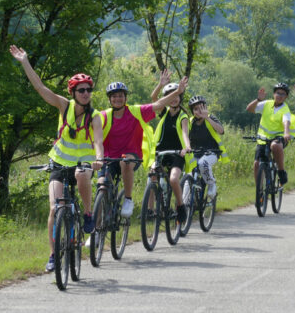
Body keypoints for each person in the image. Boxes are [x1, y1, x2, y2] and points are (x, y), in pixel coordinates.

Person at [10, 45, 103, 272]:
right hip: (59, 161)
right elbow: (40, 87)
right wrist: (25, 62)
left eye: (88, 90)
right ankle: (53, 254)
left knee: (82, 174)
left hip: (83, 163)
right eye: (80, 90)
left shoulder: (95, 116)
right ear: (73, 93)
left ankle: (88, 213)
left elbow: (98, 142)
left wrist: (99, 159)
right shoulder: (64, 105)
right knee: (54, 208)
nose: (85, 94)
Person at [100, 73, 188, 219]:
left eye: (121, 95)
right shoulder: (103, 115)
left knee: (125, 161)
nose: (117, 99)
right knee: (102, 189)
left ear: (126, 98)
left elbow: (158, 104)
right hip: (108, 158)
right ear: (109, 99)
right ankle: (96, 231)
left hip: (131, 155)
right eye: (114, 96)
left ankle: (128, 199)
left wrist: (178, 91)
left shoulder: (136, 111)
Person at [147, 71, 191, 223]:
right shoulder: (164, 112)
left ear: (180, 98)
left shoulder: (183, 116)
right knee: (152, 176)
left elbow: (185, 133)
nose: (173, 99)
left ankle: (180, 206)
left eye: (176, 96)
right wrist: (161, 84)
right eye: (170, 96)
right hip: (160, 152)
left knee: (173, 179)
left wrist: (186, 148)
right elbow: (153, 99)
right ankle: (150, 211)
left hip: (177, 154)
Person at [246, 83, 292, 187]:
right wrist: (258, 99)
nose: (279, 96)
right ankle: (259, 190)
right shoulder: (266, 103)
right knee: (257, 164)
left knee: (275, 146)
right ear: (273, 94)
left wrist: (286, 133)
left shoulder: (285, 109)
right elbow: (249, 109)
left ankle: (281, 171)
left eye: (283, 94)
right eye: (278, 93)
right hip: (263, 138)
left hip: (278, 137)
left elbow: (286, 122)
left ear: (286, 97)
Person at [188, 95, 228, 199]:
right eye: (196, 109)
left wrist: (207, 118)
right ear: (192, 111)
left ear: (206, 107)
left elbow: (221, 131)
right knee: (187, 175)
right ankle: (186, 203)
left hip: (212, 152)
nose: (199, 111)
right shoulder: (190, 122)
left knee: (203, 163)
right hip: (195, 153)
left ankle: (211, 184)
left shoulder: (210, 117)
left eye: (201, 108)